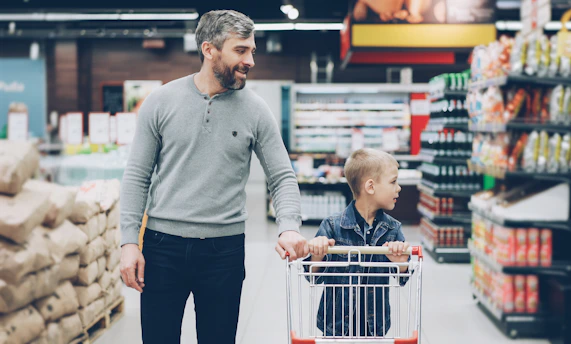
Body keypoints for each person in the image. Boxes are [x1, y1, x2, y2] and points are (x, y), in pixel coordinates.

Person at [118, 10, 308, 344]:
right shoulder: (161, 102)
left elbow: (281, 177)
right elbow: (137, 176)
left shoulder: (256, 110)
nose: (250, 60)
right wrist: (129, 242)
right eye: (240, 50)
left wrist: (289, 225)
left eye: (252, 51)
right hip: (163, 247)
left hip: (224, 252)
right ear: (210, 50)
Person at [306, 148, 410, 337]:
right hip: (336, 324)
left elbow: (403, 276)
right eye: (393, 181)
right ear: (370, 187)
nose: (399, 187)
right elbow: (312, 276)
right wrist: (318, 252)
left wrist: (400, 261)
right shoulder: (332, 226)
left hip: (374, 326)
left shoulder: (392, 229)